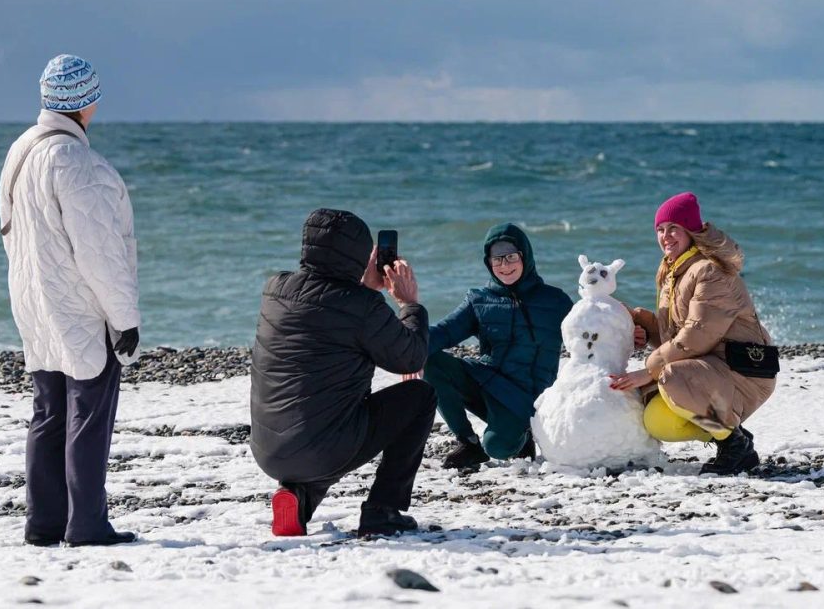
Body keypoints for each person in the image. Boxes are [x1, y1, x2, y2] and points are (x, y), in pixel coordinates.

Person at [0, 54, 141, 547]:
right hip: (79, 307)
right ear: (88, 102)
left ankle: (43, 524)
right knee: (89, 414)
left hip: (34, 301)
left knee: (48, 412)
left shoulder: (20, 150)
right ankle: (87, 524)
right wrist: (125, 319)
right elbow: (100, 253)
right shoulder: (77, 162)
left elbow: (9, 231)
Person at [250, 209, 435, 537]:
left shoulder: (274, 289)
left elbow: (330, 313)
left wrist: (363, 288)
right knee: (420, 396)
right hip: (322, 449)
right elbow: (410, 358)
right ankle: (382, 510)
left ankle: (297, 500)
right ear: (360, 255)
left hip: (268, 450)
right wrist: (409, 305)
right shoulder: (362, 307)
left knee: (323, 416)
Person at [609, 192, 776, 475]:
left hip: (744, 372)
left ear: (691, 231)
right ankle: (729, 434)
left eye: (674, 228)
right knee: (658, 420)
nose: (666, 236)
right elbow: (674, 335)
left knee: (670, 378)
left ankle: (734, 445)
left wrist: (649, 370)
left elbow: (697, 335)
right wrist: (641, 325)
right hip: (709, 369)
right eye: (660, 229)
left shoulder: (710, 271)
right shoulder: (674, 270)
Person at [424, 223, 573, 469]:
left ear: (525, 256)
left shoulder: (556, 301)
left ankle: (524, 436)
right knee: (429, 360)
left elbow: (590, 330)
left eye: (511, 257)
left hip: (526, 397)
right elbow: (445, 331)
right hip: (486, 379)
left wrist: (631, 326)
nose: (505, 265)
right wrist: (402, 341)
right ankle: (468, 443)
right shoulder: (479, 299)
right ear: (488, 262)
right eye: (497, 259)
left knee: (497, 447)